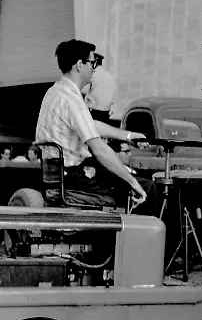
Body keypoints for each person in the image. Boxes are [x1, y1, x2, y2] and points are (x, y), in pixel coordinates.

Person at [35, 39, 148, 209]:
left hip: (58, 175)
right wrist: (132, 182)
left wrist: (128, 136)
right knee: (146, 187)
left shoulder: (54, 92)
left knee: (118, 176)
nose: (94, 69)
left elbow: (89, 125)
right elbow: (99, 149)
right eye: (93, 63)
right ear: (79, 65)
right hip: (74, 178)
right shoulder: (72, 100)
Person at [84, 56, 117, 124]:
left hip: (94, 113)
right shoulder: (109, 75)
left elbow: (83, 90)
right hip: (106, 112)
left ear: (95, 62)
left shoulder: (92, 74)